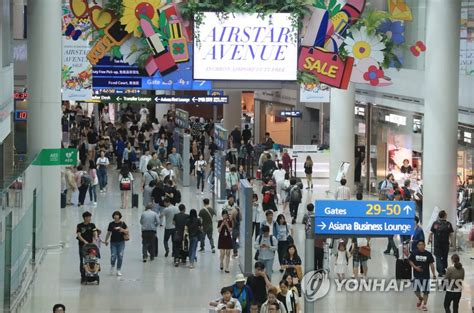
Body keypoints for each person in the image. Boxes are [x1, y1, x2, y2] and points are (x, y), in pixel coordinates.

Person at [408, 240, 436, 311]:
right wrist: (415, 267)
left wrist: (434, 274)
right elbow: (410, 261)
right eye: (419, 245)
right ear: (417, 246)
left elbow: (431, 264)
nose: (421, 246)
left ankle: (424, 305)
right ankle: (420, 298)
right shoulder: (414, 253)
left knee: (426, 292)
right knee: (416, 291)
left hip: (425, 276)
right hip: (417, 276)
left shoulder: (428, 254)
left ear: (424, 245)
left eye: (422, 245)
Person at [428, 210, 454, 276]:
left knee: (438, 257)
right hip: (445, 244)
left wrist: (429, 240)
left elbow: (431, 233)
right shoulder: (448, 224)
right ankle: (444, 269)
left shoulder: (435, 223)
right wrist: (452, 242)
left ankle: (440, 271)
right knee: (445, 257)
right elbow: (451, 234)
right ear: (444, 215)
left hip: (437, 244)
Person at [104, 211, 129, 276]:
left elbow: (127, 231)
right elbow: (108, 232)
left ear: (119, 216)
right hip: (113, 242)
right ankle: (112, 266)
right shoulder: (111, 224)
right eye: (115, 215)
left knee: (120, 256)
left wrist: (122, 230)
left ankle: (118, 269)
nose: (116, 216)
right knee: (113, 256)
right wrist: (106, 240)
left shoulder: (123, 223)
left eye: (117, 215)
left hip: (121, 242)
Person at [76, 211, 97, 284]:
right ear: (85, 218)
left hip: (90, 246)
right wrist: (84, 241)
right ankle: (83, 276)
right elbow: (79, 235)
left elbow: (95, 232)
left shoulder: (92, 225)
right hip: (82, 246)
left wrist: (95, 237)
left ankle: (90, 274)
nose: (89, 218)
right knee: (82, 261)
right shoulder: (80, 225)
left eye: (90, 217)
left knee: (90, 260)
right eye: (88, 217)